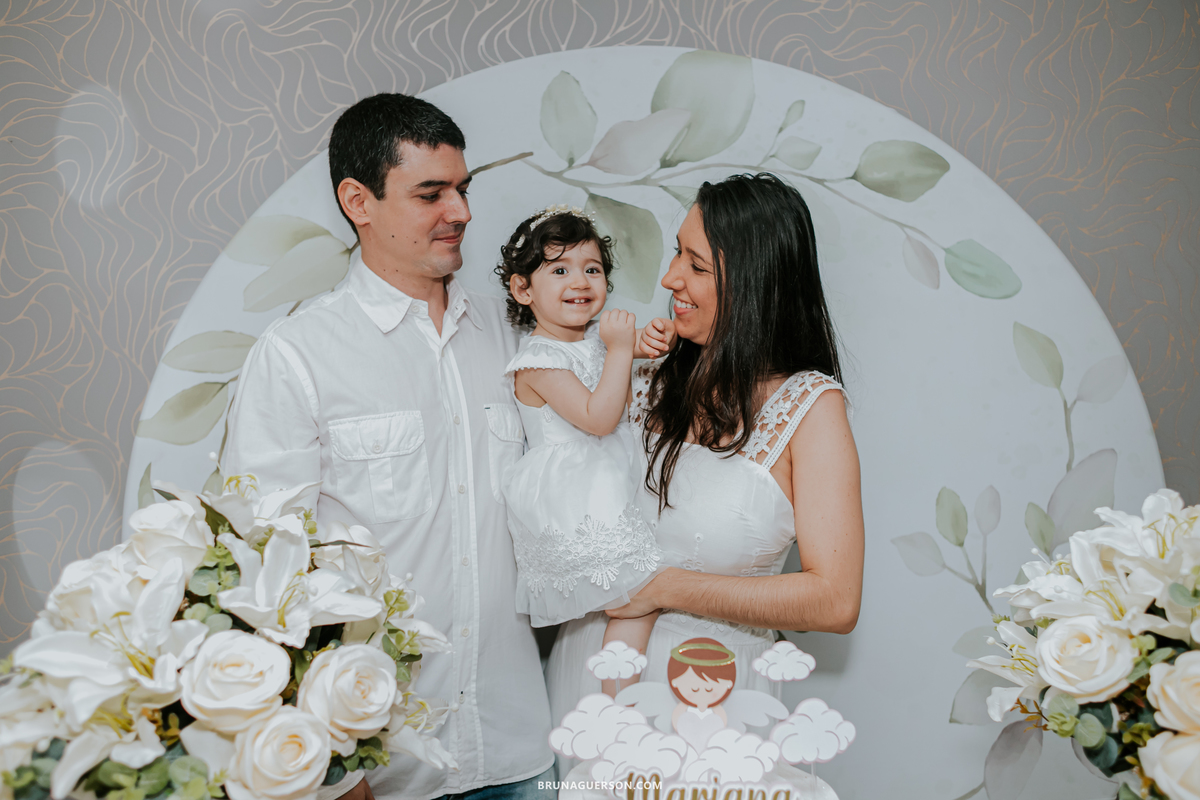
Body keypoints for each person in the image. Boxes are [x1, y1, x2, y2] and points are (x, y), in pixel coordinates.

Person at [223, 94, 554, 800]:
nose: (460, 211)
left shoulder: (518, 335)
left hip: (523, 752)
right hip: (386, 774)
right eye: (430, 193)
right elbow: (263, 577)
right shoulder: (298, 355)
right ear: (358, 201)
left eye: (463, 189)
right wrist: (333, 772)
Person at [544, 172, 864, 770]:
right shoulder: (643, 376)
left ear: (752, 283)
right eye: (676, 252)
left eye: (696, 264)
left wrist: (660, 589)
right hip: (587, 678)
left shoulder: (808, 407)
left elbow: (835, 600)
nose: (669, 279)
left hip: (709, 697)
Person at [493, 206, 674, 694]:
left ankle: (624, 692)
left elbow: (617, 356)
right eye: (559, 269)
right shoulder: (536, 362)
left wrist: (646, 341)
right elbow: (598, 417)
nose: (580, 280)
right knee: (635, 596)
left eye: (592, 269)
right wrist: (620, 350)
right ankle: (617, 703)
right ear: (522, 290)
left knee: (648, 592)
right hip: (580, 495)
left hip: (613, 474)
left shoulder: (592, 341)